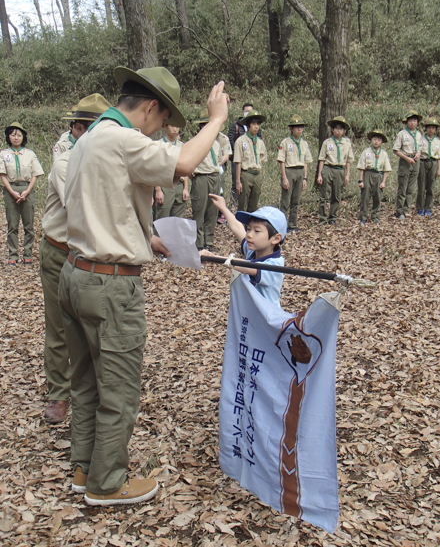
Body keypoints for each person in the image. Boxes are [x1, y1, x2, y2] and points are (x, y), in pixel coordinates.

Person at [58, 66, 229, 507]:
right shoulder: (123, 138)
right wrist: (215, 120)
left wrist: (144, 235)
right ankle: (107, 484)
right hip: (110, 287)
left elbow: (103, 201)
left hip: (75, 272)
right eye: (164, 121)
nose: (161, 131)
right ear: (151, 107)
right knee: (118, 389)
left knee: (85, 382)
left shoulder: (89, 138)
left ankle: (84, 468)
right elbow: (185, 163)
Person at [40, 94, 111, 425]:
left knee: (94, 324)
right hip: (60, 252)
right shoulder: (65, 163)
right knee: (59, 326)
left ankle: (93, 386)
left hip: (93, 255)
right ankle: (59, 391)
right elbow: (85, 207)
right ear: (80, 131)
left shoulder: (105, 161)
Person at [205, 194, 286, 306]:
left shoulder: (275, 265)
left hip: (266, 319)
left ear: (276, 238)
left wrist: (213, 257)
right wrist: (223, 208)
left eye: (257, 231)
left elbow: (248, 268)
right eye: (248, 229)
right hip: (249, 315)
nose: (249, 235)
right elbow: (238, 228)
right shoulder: (253, 251)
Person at [0, 122, 44, 264]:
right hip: (10, 190)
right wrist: (12, 192)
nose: (16, 137)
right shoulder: (3, 154)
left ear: (23, 137)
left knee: (28, 225)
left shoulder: (30, 154)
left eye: (19, 135)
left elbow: (35, 174)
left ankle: (27, 254)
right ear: (8, 137)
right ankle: (13, 255)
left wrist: (26, 192)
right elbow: (3, 175)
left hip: (27, 190)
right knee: (12, 225)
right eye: (13, 135)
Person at [191, 109, 231, 249]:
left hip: (215, 177)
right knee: (199, 210)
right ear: (201, 126)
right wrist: (197, 178)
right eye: (204, 125)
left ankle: (209, 241)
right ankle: (198, 243)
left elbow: (219, 161)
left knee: (212, 211)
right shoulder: (195, 142)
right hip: (201, 177)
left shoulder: (216, 143)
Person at [277, 115, 313, 232]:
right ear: (291, 129)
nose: (299, 129)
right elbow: (281, 161)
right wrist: (284, 178)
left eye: (301, 127)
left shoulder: (304, 143)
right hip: (289, 171)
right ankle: (282, 225)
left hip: (300, 171)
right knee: (285, 201)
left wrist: (305, 178)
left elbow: (306, 162)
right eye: (296, 127)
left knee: (296, 200)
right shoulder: (286, 142)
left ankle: (292, 224)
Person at [317, 116, 354, 225]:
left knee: (336, 195)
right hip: (328, 168)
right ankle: (322, 218)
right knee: (324, 195)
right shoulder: (327, 142)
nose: (339, 131)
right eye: (336, 128)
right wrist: (320, 174)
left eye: (341, 129)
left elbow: (348, 160)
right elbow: (322, 159)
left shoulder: (347, 143)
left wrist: (347, 174)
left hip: (339, 170)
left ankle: (332, 217)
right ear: (332, 130)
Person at [233, 110, 267, 213]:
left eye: (258, 124)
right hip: (246, 174)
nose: (256, 127)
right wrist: (238, 181)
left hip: (256, 174)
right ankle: (241, 227)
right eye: (253, 124)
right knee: (243, 203)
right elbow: (238, 162)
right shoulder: (240, 141)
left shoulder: (260, 142)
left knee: (254, 204)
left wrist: (260, 177)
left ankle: (251, 227)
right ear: (248, 126)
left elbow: (262, 160)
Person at [154, 123, 189, 220]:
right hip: (165, 185)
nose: (175, 129)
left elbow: (184, 168)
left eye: (177, 126)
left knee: (178, 220)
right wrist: (158, 190)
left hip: (179, 185)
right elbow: (155, 169)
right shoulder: (158, 145)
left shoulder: (182, 146)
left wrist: (185, 188)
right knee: (162, 219)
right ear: (165, 126)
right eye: (172, 126)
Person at [392, 110, 423, 220]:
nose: (412, 123)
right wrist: (406, 158)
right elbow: (395, 150)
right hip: (405, 161)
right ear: (407, 122)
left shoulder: (419, 134)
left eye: (414, 121)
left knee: (410, 188)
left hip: (416, 162)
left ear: (417, 122)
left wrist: (418, 154)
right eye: (410, 121)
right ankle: (399, 211)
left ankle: (406, 209)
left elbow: (420, 147)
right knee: (403, 187)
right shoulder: (402, 134)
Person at [228, 103, 261, 204]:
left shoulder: (256, 128)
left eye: (250, 111)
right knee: (236, 183)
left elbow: (259, 140)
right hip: (237, 159)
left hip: (251, 161)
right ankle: (234, 204)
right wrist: (238, 152)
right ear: (242, 112)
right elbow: (231, 140)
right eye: (246, 111)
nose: (248, 113)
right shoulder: (236, 125)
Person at [357, 130, 392, 224]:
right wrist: (361, 180)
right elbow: (361, 167)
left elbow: (386, 169)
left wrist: (383, 181)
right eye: (374, 139)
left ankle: (375, 216)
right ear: (371, 140)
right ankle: (363, 216)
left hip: (378, 175)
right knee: (365, 196)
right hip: (368, 174)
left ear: (381, 142)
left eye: (379, 139)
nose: (376, 141)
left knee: (377, 196)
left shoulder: (384, 153)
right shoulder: (366, 152)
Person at [416, 116, 440, 216]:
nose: (431, 129)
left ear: (435, 129)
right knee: (421, 186)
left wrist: (439, 169)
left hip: (433, 163)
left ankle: (428, 208)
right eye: (429, 127)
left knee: (431, 187)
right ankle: (420, 208)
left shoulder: (437, 141)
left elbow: (439, 156)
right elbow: (418, 151)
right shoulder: (421, 139)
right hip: (423, 162)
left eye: (433, 127)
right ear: (426, 128)